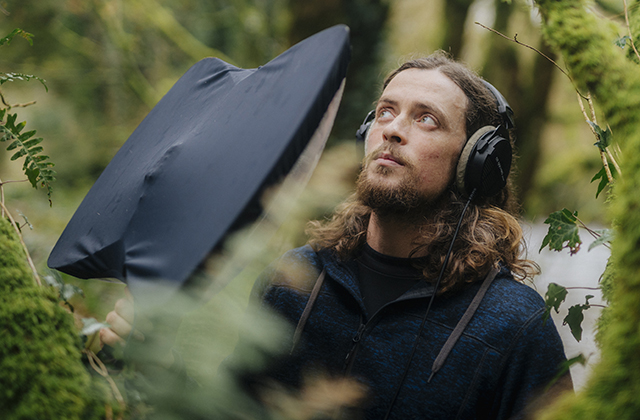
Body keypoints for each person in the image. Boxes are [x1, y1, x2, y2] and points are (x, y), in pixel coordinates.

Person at [101, 51, 570, 419]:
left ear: (477, 164)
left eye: (426, 119)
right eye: (385, 112)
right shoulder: (295, 279)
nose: (393, 131)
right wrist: (153, 361)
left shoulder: (514, 327)